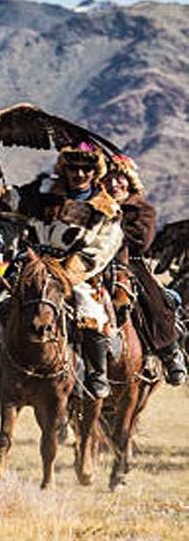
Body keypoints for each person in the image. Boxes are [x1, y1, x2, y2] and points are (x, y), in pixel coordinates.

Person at [0, 142, 123, 398]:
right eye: (73, 168)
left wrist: (65, 274)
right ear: (64, 169)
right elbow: (5, 196)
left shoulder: (107, 208)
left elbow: (101, 250)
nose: (79, 174)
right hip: (32, 267)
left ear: (95, 171)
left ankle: (96, 374)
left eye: (86, 169)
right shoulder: (41, 193)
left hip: (74, 274)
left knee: (92, 315)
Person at [103, 154, 185, 385]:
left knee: (155, 302)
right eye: (108, 178)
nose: (114, 183)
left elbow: (142, 241)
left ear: (129, 181)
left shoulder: (142, 208)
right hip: (92, 262)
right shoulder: (92, 204)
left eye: (120, 178)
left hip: (130, 263)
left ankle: (170, 352)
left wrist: (109, 227)